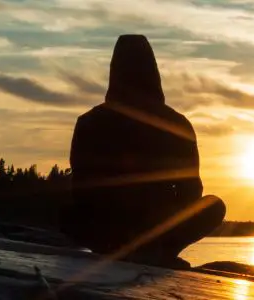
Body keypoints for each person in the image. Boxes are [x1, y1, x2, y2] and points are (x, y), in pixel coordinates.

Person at [62, 34, 226, 269]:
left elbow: (79, 188)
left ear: (113, 72)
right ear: (154, 72)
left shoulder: (89, 121)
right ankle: (160, 250)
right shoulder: (176, 123)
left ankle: (135, 248)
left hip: (108, 231)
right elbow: (192, 190)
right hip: (152, 229)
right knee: (213, 205)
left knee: (65, 213)